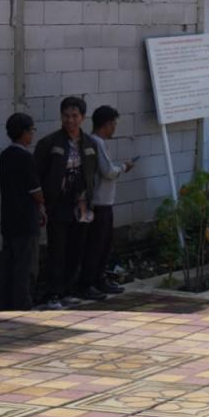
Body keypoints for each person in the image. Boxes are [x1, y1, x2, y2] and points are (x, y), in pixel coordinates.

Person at [34, 96, 102, 307]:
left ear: (83, 117)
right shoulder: (49, 143)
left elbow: (93, 172)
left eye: (74, 116)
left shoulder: (90, 143)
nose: (70, 120)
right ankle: (53, 293)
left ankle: (67, 290)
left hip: (82, 204)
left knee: (76, 248)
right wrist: (42, 204)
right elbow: (37, 175)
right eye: (66, 116)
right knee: (57, 249)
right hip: (58, 205)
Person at [81, 105, 135, 295]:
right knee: (97, 245)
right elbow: (108, 171)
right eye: (114, 124)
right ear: (107, 124)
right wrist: (123, 167)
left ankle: (99, 279)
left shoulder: (94, 141)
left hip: (102, 201)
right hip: (99, 202)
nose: (114, 128)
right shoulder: (97, 142)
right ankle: (89, 282)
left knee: (103, 244)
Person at [0, 113, 46, 311]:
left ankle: (5, 304)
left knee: (9, 265)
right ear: (24, 132)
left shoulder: (4, 155)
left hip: (8, 218)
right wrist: (43, 205)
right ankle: (22, 306)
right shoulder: (25, 157)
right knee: (26, 267)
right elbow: (35, 191)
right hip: (26, 220)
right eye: (31, 130)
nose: (33, 134)